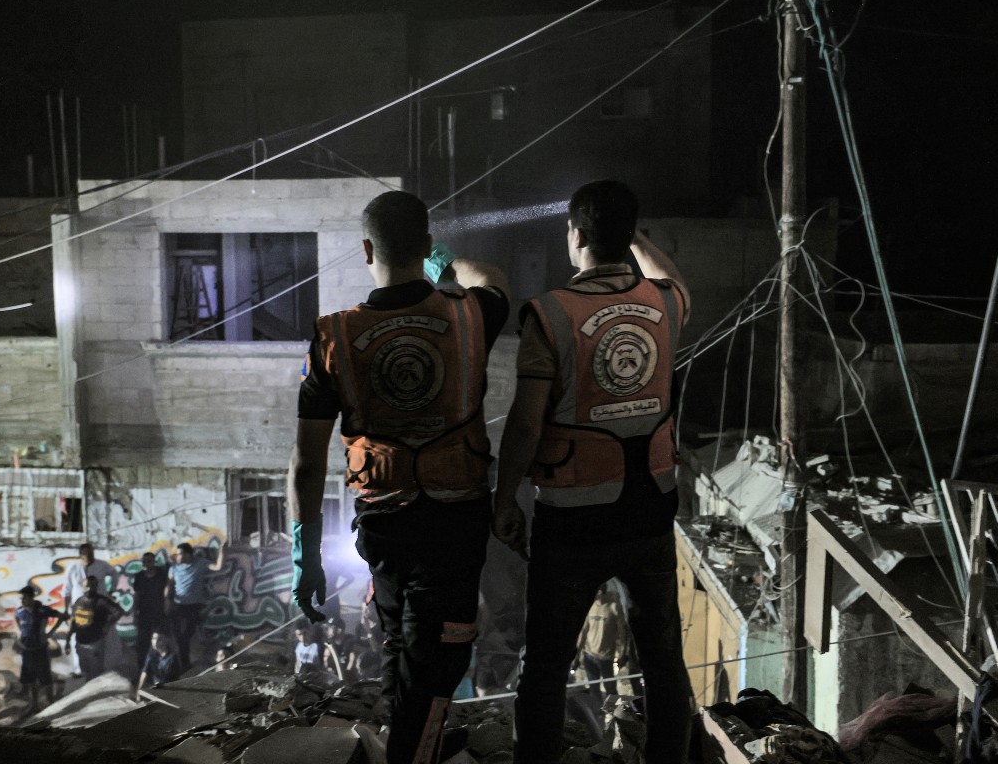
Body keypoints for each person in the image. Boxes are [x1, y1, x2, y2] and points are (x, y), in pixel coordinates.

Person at [288, 189, 509, 763]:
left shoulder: (333, 336)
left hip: (383, 520)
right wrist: (445, 263)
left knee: (399, 640)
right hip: (455, 518)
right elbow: (493, 278)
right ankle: (412, 753)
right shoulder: (469, 314)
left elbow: (307, 462)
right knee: (442, 651)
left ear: (366, 249)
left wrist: (306, 555)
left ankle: (409, 744)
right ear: (427, 246)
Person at [492, 180, 694, 764]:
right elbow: (673, 277)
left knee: (546, 666)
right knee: (663, 660)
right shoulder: (665, 304)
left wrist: (504, 500)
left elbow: (525, 425)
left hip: (573, 520)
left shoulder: (551, 314)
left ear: (577, 236)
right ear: (628, 237)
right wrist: (634, 237)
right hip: (650, 510)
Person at [166, 541, 226, 670]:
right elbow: (169, 586)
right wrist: (167, 601)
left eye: (180, 554)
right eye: (177, 554)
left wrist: (221, 550)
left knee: (187, 636)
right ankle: (183, 664)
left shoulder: (200, 564)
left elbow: (217, 567)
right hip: (178, 606)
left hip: (193, 607)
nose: (177, 556)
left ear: (188, 554)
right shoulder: (174, 568)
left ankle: (186, 664)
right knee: (178, 637)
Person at [62, 543, 117, 677]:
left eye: (91, 553)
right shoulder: (73, 568)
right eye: (86, 553)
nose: (89, 556)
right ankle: (79, 669)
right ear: (81, 555)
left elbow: (114, 573)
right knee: (77, 637)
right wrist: (66, 610)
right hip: (79, 609)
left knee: (100, 637)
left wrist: (111, 590)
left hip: (98, 609)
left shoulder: (102, 565)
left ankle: (101, 668)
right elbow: (67, 590)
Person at [15, 585, 67, 712]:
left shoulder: (42, 610)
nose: (22, 601)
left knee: (45, 677)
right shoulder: (20, 611)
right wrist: (19, 633)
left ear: (31, 597)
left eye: (24, 598)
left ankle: (51, 704)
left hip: (40, 649)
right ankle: (35, 705)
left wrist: (49, 634)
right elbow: (16, 619)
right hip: (27, 649)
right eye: (21, 599)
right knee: (30, 678)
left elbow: (62, 616)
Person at [576, 584, 630, 700]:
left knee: (610, 689)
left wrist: (623, 653)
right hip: (589, 655)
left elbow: (622, 633)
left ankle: (614, 711)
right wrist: (577, 655)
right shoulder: (590, 607)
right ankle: (597, 711)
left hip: (606, 656)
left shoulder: (613, 607)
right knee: (594, 689)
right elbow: (583, 632)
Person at [65, 575, 125, 680]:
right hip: (80, 643)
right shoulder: (79, 601)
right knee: (86, 673)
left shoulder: (102, 601)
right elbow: (74, 621)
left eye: (92, 586)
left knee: (96, 675)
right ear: (82, 587)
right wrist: (68, 640)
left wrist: (107, 625)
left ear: (96, 586)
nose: (89, 589)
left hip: (95, 643)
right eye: (86, 586)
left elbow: (119, 611)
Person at [132, 551, 169, 672]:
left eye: (149, 561)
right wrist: (134, 613)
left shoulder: (161, 574)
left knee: (161, 642)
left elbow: (167, 591)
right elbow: (136, 595)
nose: (146, 564)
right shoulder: (139, 576)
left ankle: (162, 670)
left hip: (159, 613)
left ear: (153, 562)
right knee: (142, 644)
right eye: (144, 562)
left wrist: (168, 606)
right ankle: (142, 670)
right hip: (144, 613)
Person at [136, 631, 182, 700]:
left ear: (166, 640)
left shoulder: (172, 657)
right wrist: (139, 690)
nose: (156, 642)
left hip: (170, 691)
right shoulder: (151, 654)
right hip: (157, 688)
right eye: (154, 638)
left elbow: (173, 679)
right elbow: (145, 671)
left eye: (159, 639)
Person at [321, 616, 357, 680]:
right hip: (335, 678)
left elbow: (352, 661)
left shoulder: (349, 641)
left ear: (339, 630)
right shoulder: (329, 643)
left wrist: (346, 676)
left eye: (331, 627)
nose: (328, 630)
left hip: (349, 677)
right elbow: (326, 662)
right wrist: (328, 669)